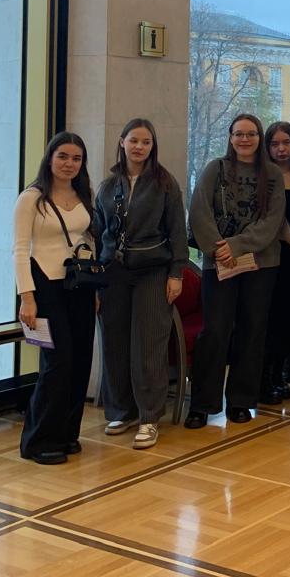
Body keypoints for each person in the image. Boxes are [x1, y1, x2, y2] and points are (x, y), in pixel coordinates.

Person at [92, 119, 188, 449]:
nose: (139, 147)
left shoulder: (165, 183)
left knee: (148, 345)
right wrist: (96, 278)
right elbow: (98, 232)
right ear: (122, 142)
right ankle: (122, 411)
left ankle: (149, 417)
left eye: (146, 142)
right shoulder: (108, 186)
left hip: (153, 271)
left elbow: (177, 232)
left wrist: (176, 273)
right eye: (134, 140)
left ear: (152, 147)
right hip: (113, 273)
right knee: (115, 343)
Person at [185, 114, 284, 429]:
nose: (245, 139)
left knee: (251, 331)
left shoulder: (272, 174)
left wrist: (238, 244)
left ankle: (241, 401)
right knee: (214, 331)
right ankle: (202, 404)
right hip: (220, 263)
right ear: (230, 137)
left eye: (251, 134)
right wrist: (219, 249)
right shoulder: (215, 169)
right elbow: (199, 209)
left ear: (259, 138)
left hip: (261, 263)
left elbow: (273, 219)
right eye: (239, 134)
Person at [14, 132, 97, 464]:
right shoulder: (31, 198)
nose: (69, 164)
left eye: (76, 158)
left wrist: (93, 290)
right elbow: (20, 250)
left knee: (80, 361)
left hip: (78, 285)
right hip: (43, 286)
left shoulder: (83, 193)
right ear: (50, 158)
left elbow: (87, 238)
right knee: (58, 363)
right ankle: (38, 440)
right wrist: (27, 297)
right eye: (63, 156)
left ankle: (67, 434)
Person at [259, 121, 290, 405]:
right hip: (269, 255)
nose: (281, 149)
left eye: (286, 143)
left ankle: (279, 374)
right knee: (270, 319)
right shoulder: (263, 176)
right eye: (275, 144)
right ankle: (264, 378)